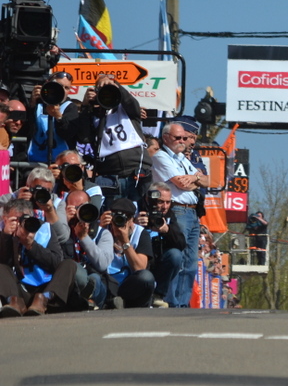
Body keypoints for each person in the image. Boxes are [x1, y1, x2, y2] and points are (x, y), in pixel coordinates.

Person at [151, 122, 208, 307]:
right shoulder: (161, 157)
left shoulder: (182, 159)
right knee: (178, 258)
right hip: (178, 209)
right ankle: (171, 301)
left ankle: (183, 303)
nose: (182, 141)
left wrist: (195, 178)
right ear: (166, 137)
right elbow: (180, 184)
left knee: (191, 262)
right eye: (178, 138)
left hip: (193, 212)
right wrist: (196, 180)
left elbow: (209, 180)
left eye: (185, 138)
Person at [77, 74, 152, 205]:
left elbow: (131, 103)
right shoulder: (94, 115)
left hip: (137, 169)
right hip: (110, 175)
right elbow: (84, 137)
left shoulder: (126, 110)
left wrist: (115, 85)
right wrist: (85, 106)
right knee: (114, 215)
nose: (105, 94)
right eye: (101, 90)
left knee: (140, 214)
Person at [0, 198, 78, 317]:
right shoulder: (3, 233)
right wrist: (6, 237)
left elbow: (56, 263)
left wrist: (31, 245)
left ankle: (44, 300)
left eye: (24, 219)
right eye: (16, 220)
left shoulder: (45, 229)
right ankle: (14, 302)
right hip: (20, 290)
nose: (21, 224)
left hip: (47, 289)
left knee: (69, 264)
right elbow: (5, 265)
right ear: (5, 219)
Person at [61, 190, 112, 310]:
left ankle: (88, 299)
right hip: (70, 280)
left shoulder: (102, 233)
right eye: (75, 207)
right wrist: (64, 223)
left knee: (95, 279)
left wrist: (84, 237)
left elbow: (102, 264)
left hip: (96, 284)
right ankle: (84, 301)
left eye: (83, 207)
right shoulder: (61, 231)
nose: (79, 211)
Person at [135, 182, 184, 308]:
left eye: (168, 202)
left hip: (158, 259)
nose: (164, 206)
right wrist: (134, 224)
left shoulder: (169, 215)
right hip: (138, 256)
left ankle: (158, 295)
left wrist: (166, 230)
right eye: (161, 202)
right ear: (149, 199)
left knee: (175, 255)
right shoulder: (136, 208)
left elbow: (181, 243)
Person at [105, 198, 155, 308]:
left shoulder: (141, 233)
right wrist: (100, 229)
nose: (119, 221)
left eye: (125, 217)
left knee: (146, 277)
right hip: (107, 281)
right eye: (116, 216)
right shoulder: (102, 229)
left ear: (132, 219)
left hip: (129, 285)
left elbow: (140, 267)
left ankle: (123, 302)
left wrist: (125, 241)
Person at [27, 71, 80, 164]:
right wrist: (31, 106)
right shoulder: (37, 104)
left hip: (61, 161)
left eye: (66, 88)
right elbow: (25, 129)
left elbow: (69, 134)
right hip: (35, 160)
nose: (62, 90)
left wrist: (59, 117)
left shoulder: (70, 107)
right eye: (59, 86)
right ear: (48, 84)